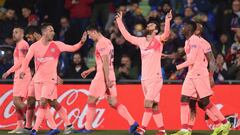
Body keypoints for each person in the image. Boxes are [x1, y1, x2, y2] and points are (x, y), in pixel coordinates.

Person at [20, 23, 87, 135]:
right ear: (44, 32)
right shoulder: (34, 46)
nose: (53, 32)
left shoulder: (57, 45)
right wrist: (22, 70)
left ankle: (34, 130)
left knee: (43, 102)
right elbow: (26, 60)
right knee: (53, 103)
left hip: (50, 79)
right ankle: (67, 126)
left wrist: (82, 41)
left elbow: (73, 48)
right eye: (50, 30)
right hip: (38, 80)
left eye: (53, 30)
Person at [115, 10, 172, 135]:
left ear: (156, 30)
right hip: (144, 79)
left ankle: (142, 130)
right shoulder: (141, 41)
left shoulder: (158, 39)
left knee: (147, 103)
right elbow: (128, 37)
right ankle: (162, 130)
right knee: (155, 105)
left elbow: (166, 34)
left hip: (156, 78)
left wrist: (167, 20)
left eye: (152, 25)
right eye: (148, 24)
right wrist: (119, 21)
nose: (148, 26)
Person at [171, 21, 231, 135]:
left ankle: (222, 123)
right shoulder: (188, 41)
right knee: (189, 101)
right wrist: (170, 56)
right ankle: (186, 129)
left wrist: (211, 76)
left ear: (197, 30)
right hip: (191, 74)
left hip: (200, 75)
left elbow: (212, 60)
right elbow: (184, 53)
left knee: (203, 102)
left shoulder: (204, 43)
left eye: (195, 27)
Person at [78, 24, 138, 133]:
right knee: (113, 102)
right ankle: (132, 122)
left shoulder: (101, 43)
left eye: (90, 35)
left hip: (103, 75)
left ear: (94, 32)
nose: (90, 38)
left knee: (91, 99)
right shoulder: (108, 42)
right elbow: (104, 62)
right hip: (110, 74)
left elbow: (105, 62)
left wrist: (106, 79)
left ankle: (87, 127)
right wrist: (90, 70)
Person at [2, 25, 32, 134]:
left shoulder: (23, 44)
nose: (14, 34)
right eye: (13, 32)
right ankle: (20, 126)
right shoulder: (19, 44)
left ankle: (32, 118)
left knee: (16, 101)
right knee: (16, 102)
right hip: (19, 75)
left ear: (22, 34)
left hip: (23, 75)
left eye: (17, 32)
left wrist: (8, 71)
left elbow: (22, 61)